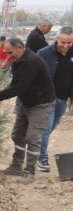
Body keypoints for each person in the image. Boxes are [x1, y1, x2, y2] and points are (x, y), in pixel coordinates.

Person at [0, 37, 56, 181]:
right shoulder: (18, 61)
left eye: (11, 53)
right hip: (27, 102)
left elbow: (22, 86)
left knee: (32, 138)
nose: (9, 56)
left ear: (20, 48)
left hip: (41, 104)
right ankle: (16, 166)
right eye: (7, 53)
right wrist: (0, 93)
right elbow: (15, 83)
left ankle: (30, 171)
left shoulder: (32, 62)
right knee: (17, 135)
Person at [36, 26, 73, 172]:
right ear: (56, 39)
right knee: (45, 128)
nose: (66, 46)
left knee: (50, 127)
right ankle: (42, 158)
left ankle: (36, 145)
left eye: (69, 43)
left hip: (62, 99)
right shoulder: (44, 53)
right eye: (63, 42)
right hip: (46, 98)